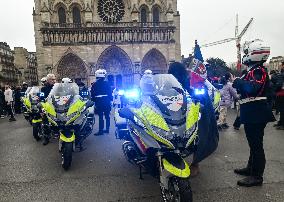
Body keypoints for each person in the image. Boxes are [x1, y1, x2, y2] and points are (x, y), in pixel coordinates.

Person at [232, 39, 275, 187]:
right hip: (252, 111)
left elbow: (253, 88)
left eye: (247, 52)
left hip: (256, 112)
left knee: (256, 145)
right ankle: (251, 168)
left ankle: (257, 176)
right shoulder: (253, 70)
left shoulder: (259, 70)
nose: (245, 55)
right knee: (253, 144)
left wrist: (238, 82)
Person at [168, 62, 219, 177]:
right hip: (176, 113)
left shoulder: (191, 82)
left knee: (199, 135)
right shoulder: (169, 83)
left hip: (195, 113)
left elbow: (200, 97)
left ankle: (195, 163)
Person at [91, 69, 112, 136]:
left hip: (99, 102)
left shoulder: (95, 84)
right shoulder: (107, 83)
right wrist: (109, 100)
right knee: (107, 116)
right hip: (106, 101)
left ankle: (101, 131)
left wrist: (94, 101)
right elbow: (110, 93)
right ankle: (107, 129)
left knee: (100, 117)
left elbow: (92, 94)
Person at [41, 74, 56, 145]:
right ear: (48, 80)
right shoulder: (43, 89)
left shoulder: (57, 88)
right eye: (52, 79)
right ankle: (46, 138)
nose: (54, 81)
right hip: (47, 107)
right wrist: (42, 108)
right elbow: (41, 99)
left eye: (54, 79)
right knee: (45, 123)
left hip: (57, 107)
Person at [274, 63, 284, 130]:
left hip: (282, 94)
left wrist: (276, 87)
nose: (281, 66)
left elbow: (279, 85)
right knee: (281, 110)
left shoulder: (282, 75)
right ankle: (280, 122)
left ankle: (282, 124)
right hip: (280, 93)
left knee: (282, 110)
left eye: (282, 65)